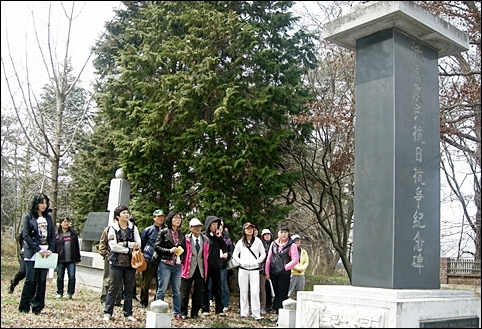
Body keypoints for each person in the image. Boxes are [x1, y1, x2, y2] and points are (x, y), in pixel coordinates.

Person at [18, 193, 56, 315]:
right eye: (41, 203)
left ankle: (38, 307)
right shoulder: (29, 217)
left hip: (46, 253)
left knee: (41, 281)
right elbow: (26, 235)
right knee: (30, 280)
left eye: (45, 203)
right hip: (33, 253)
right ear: (36, 204)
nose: (43, 205)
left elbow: (52, 236)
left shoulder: (48, 218)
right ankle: (24, 307)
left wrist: (50, 249)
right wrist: (38, 249)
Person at [103, 205, 141, 323]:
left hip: (130, 264)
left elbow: (138, 244)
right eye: (124, 213)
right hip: (116, 263)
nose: (126, 215)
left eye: (127, 212)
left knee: (129, 289)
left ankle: (128, 313)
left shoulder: (133, 228)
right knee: (113, 288)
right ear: (118, 216)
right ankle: (108, 312)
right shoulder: (112, 229)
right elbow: (113, 246)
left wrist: (124, 244)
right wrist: (129, 248)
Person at [154, 210, 186, 320]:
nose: (178, 220)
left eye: (179, 218)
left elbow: (185, 249)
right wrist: (169, 250)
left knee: (176, 290)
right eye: (175, 217)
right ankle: (158, 310)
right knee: (162, 289)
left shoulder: (182, 234)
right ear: (170, 219)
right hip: (165, 263)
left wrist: (181, 255)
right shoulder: (164, 232)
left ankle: (177, 312)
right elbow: (157, 247)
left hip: (177, 265)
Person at [265, 224, 299, 323]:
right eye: (281, 232)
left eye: (285, 232)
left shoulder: (291, 245)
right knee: (276, 294)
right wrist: (267, 272)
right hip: (273, 272)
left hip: (284, 274)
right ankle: (277, 313)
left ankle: (283, 315)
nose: (283, 234)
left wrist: (285, 268)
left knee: (283, 294)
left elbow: (295, 260)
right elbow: (269, 258)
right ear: (278, 233)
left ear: (288, 233)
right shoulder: (273, 244)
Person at [232, 222, 266, 321]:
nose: (250, 230)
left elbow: (263, 254)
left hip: (254, 270)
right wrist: (240, 262)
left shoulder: (258, 242)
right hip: (243, 269)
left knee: (255, 292)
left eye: (252, 228)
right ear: (244, 230)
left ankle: (256, 313)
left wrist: (257, 261)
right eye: (248, 228)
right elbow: (234, 255)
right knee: (243, 291)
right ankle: (244, 312)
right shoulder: (240, 242)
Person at [180, 218, 209, 319]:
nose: (197, 229)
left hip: (200, 268)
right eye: (195, 227)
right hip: (188, 267)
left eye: (199, 226)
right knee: (185, 291)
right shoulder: (186, 238)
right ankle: (183, 312)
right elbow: (181, 250)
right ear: (190, 228)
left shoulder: (205, 239)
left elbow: (206, 254)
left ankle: (195, 312)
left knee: (198, 292)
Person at [201, 215, 228, 317]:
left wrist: (219, 237)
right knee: (205, 287)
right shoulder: (204, 236)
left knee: (218, 287)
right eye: (213, 224)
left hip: (217, 265)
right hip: (206, 265)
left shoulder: (218, 237)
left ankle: (219, 309)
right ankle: (205, 308)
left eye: (217, 224)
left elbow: (224, 248)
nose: (215, 226)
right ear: (208, 225)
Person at [139, 209, 165, 308]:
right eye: (158, 217)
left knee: (161, 281)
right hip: (149, 258)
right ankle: (143, 301)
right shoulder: (148, 230)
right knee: (146, 281)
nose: (161, 219)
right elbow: (142, 244)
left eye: (162, 217)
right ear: (154, 218)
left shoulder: (165, 230)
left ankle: (157, 300)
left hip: (161, 259)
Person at [207, 219, 233, 313]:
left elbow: (228, 250)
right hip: (209, 265)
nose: (217, 227)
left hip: (221, 265)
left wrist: (227, 255)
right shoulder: (207, 236)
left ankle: (222, 305)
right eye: (214, 225)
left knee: (222, 286)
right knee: (208, 286)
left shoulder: (226, 239)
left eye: (219, 225)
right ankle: (207, 303)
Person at [54, 217, 81, 299]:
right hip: (60, 259)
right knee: (60, 277)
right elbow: (54, 247)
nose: (66, 223)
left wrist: (77, 258)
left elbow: (76, 247)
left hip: (71, 259)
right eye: (64, 221)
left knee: (72, 276)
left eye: (67, 221)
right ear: (61, 223)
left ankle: (70, 293)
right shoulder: (57, 234)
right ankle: (59, 292)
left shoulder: (73, 234)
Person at [99, 218, 122, 306]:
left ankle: (117, 300)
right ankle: (104, 298)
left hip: (122, 259)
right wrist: (105, 255)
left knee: (119, 280)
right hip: (110, 257)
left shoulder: (125, 230)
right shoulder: (108, 229)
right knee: (107, 279)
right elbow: (102, 243)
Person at [288, 234, 309, 299]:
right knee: (289, 291)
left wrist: (302, 268)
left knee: (300, 292)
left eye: (298, 240)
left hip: (301, 274)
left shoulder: (303, 251)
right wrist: (297, 268)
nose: (296, 242)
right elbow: (289, 261)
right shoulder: (289, 250)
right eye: (295, 241)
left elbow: (306, 261)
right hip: (292, 273)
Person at [8, 229, 28, 294]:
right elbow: (20, 239)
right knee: (22, 272)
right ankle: (13, 283)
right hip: (25, 253)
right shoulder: (26, 228)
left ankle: (32, 297)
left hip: (36, 254)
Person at [260, 228, 274, 314]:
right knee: (263, 288)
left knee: (271, 289)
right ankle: (263, 305)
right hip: (262, 269)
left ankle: (270, 305)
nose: (267, 236)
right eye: (265, 235)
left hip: (272, 269)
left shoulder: (274, 244)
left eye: (268, 234)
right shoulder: (260, 244)